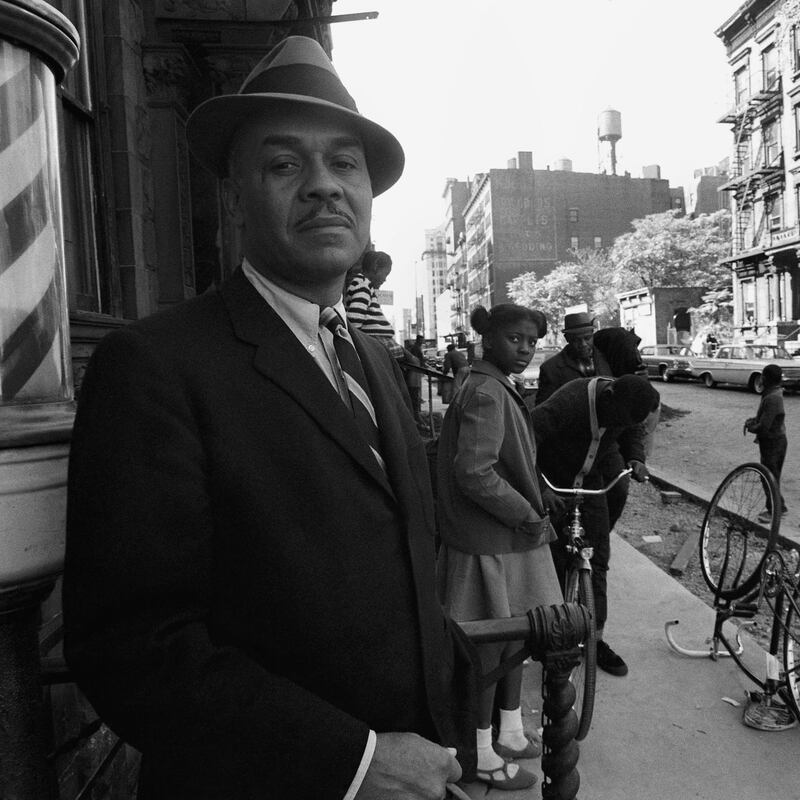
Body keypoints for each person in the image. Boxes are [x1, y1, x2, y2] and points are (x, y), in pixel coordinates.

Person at [62, 36, 479, 800]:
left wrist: (448, 715)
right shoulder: (156, 366)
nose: (324, 187)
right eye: (286, 164)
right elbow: (129, 645)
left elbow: (397, 571)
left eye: (344, 162)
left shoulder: (376, 362)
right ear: (235, 194)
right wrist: (352, 762)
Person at [436, 304, 561, 792]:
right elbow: (474, 472)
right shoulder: (487, 390)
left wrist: (537, 491)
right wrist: (526, 513)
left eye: (532, 341)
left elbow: (509, 462)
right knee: (488, 653)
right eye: (515, 339)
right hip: (491, 544)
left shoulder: (491, 383)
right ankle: (481, 752)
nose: (525, 349)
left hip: (504, 541)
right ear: (488, 339)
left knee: (514, 641)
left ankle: (508, 731)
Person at [532, 374, 661, 677]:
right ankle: (550, 635)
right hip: (554, 482)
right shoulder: (571, 401)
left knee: (597, 558)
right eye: (618, 417)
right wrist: (540, 487)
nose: (620, 423)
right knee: (550, 561)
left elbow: (631, 432)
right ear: (609, 396)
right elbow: (527, 437)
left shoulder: (623, 407)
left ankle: (595, 639)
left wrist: (636, 458)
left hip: (590, 482)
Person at [745, 363, 788, 521]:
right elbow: (764, 418)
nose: (760, 379)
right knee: (771, 476)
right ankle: (779, 506)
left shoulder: (772, 398)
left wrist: (751, 428)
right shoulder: (772, 393)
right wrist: (754, 420)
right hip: (774, 441)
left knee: (768, 477)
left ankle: (773, 511)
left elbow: (764, 426)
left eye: (763, 376)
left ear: (767, 378)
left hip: (773, 443)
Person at [345, 250, 404, 358]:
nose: (385, 279)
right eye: (385, 274)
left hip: (375, 340)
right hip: (376, 340)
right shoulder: (363, 286)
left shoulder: (362, 284)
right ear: (376, 268)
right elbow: (354, 320)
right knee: (413, 361)